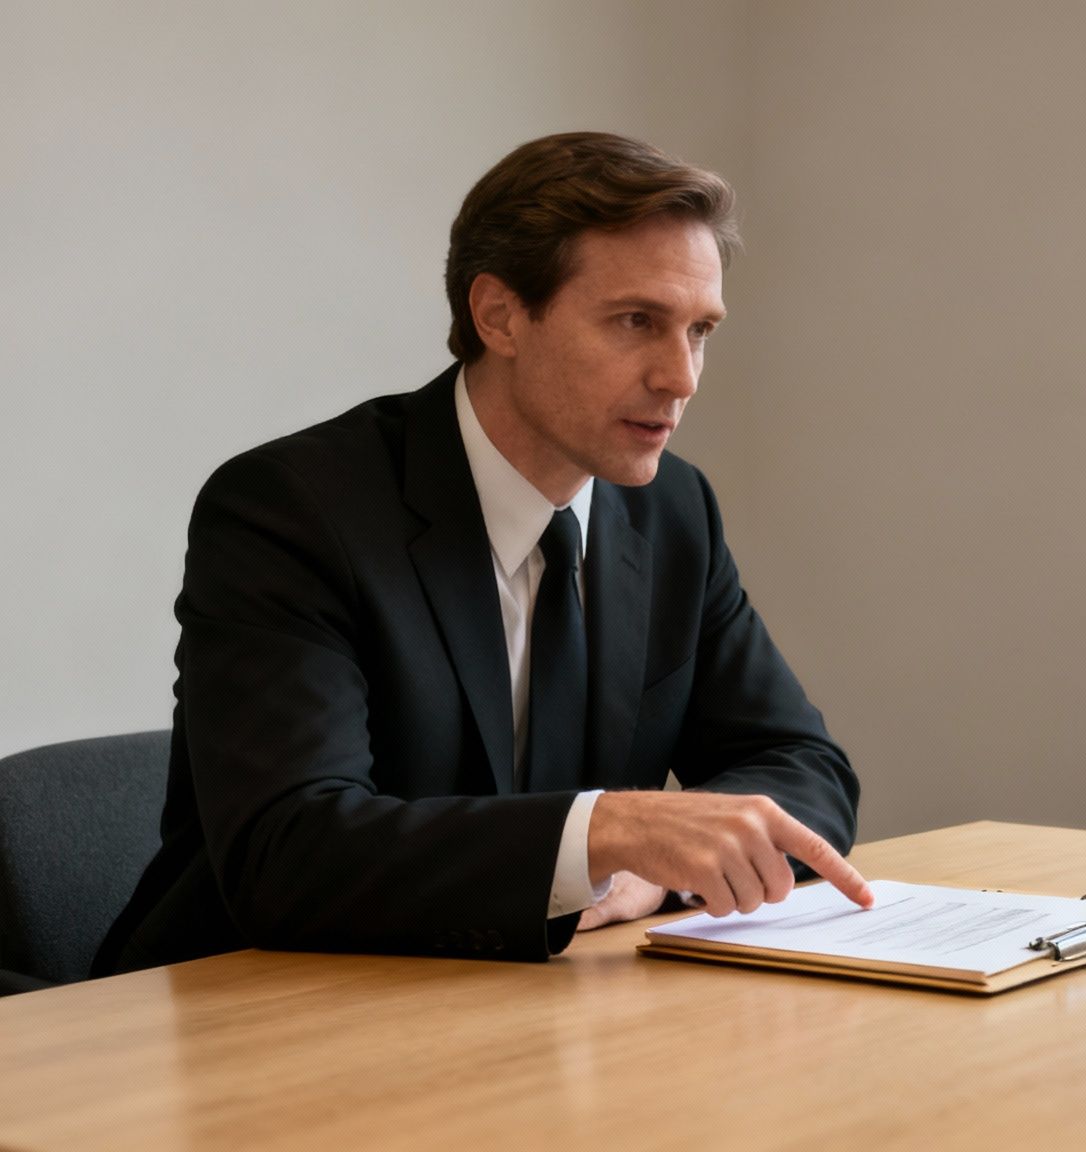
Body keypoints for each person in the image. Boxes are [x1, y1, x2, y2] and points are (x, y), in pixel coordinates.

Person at [96, 132, 871, 974]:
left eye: (700, 330)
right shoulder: (293, 510)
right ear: (498, 314)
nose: (680, 377)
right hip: (256, 1017)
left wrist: (654, 872)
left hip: (523, 1010)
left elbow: (802, 768)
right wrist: (609, 831)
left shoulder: (672, 510)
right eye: (636, 322)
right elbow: (290, 850)